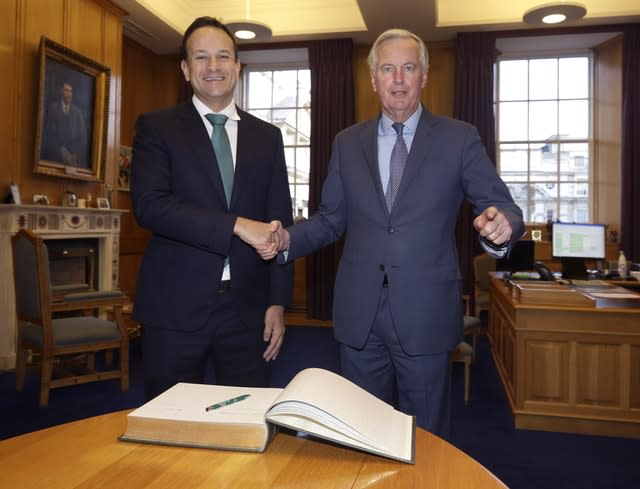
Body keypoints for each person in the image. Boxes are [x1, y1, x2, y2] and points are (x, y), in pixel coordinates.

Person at [262, 29, 524, 439]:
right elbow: (330, 219)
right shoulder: (347, 143)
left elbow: (500, 203)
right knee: (361, 433)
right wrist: (285, 240)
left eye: (408, 68)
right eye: (388, 69)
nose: (398, 79)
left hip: (426, 313)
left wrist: (501, 226)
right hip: (358, 314)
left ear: (424, 77)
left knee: (426, 437)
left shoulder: (459, 138)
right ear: (373, 80)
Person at [130, 16, 293, 401]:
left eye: (223, 56)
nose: (214, 66)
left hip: (249, 311)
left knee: (247, 422)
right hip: (173, 308)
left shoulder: (267, 138)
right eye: (201, 57)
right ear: (186, 69)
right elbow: (151, 207)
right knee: (169, 428)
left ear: (238, 66)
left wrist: (278, 301)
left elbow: (279, 224)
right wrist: (236, 225)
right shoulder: (156, 128)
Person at [41, 81, 88, 167]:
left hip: (73, 159)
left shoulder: (77, 113)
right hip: (55, 158)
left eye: (71, 91)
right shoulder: (52, 109)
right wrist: (62, 152)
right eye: (66, 90)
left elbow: (82, 138)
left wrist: (74, 155)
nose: (69, 94)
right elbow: (49, 135)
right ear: (61, 91)